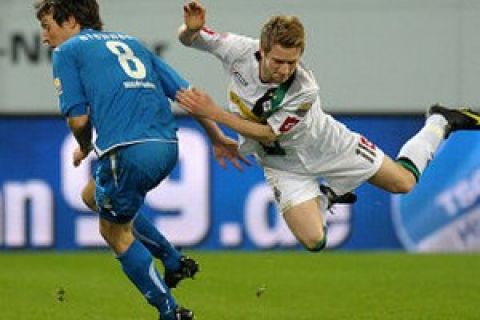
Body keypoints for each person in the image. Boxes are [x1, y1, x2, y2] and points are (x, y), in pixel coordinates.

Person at [176, 1, 480, 252]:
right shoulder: (238, 50)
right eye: (278, 61)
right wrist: (190, 30)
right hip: (282, 164)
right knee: (314, 241)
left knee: (403, 183)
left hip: (330, 146)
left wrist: (213, 112)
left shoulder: (304, 88)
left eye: (292, 62)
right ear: (262, 51)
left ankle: (440, 120)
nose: (284, 70)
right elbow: (190, 39)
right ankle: (329, 196)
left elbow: (268, 132)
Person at [34, 1, 247, 319]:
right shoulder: (132, 43)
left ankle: (170, 311)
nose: (44, 37)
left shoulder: (67, 52)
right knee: (92, 195)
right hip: (167, 147)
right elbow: (188, 94)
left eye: (47, 26)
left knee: (114, 233)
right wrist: (215, 136)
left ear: (72, 21)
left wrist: (83, 144)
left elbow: (78, 121)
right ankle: (173, 260)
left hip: (128, 152)